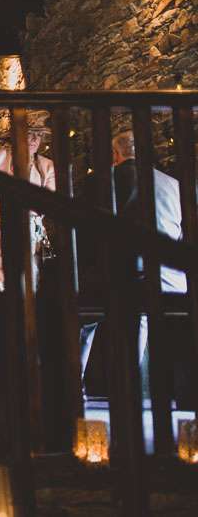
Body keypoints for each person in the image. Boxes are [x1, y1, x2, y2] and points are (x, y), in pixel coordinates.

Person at [79, 131, 188, 398]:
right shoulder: (173, 185)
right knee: (142, 314)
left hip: (121, 279)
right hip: (172, 281)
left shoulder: (99, 182)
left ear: (115, 154)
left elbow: (85, 236)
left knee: (82, 315)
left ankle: (75, 380)